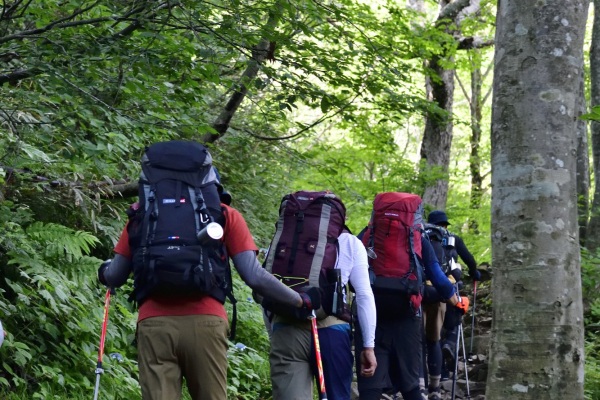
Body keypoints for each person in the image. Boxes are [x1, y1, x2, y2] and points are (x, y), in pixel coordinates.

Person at [97, 145, 320, 400]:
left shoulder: (143, 215)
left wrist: (103, 272)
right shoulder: (224, 215)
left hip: (154, 325)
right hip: (206, 323)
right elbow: (254, 276)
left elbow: (115, 275)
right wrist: (300, 299)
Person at [266, 221, 378, 399]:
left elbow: (267, 287)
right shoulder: (349, 241)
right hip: (332, 334)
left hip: (287, 330)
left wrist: (274, 335)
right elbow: (364, 295)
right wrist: (368, 346)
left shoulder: (286, 238)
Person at [355, 231, 463, 400]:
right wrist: (456, 301)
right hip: (407, 316)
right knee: (411, 386)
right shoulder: (418, 238)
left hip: (370, 316)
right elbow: (437, 276)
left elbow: (349, 274)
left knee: (370, 387)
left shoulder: (368, 234)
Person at [421, 210, 479, 399]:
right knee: (435, 339)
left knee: (420, 341)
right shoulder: (452, 239)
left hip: (420, 292)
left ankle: (420, 385)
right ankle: (436, 387)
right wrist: (474, 272)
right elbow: (469, 259)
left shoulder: (420, 236)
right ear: (445, 224)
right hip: (444, 292)